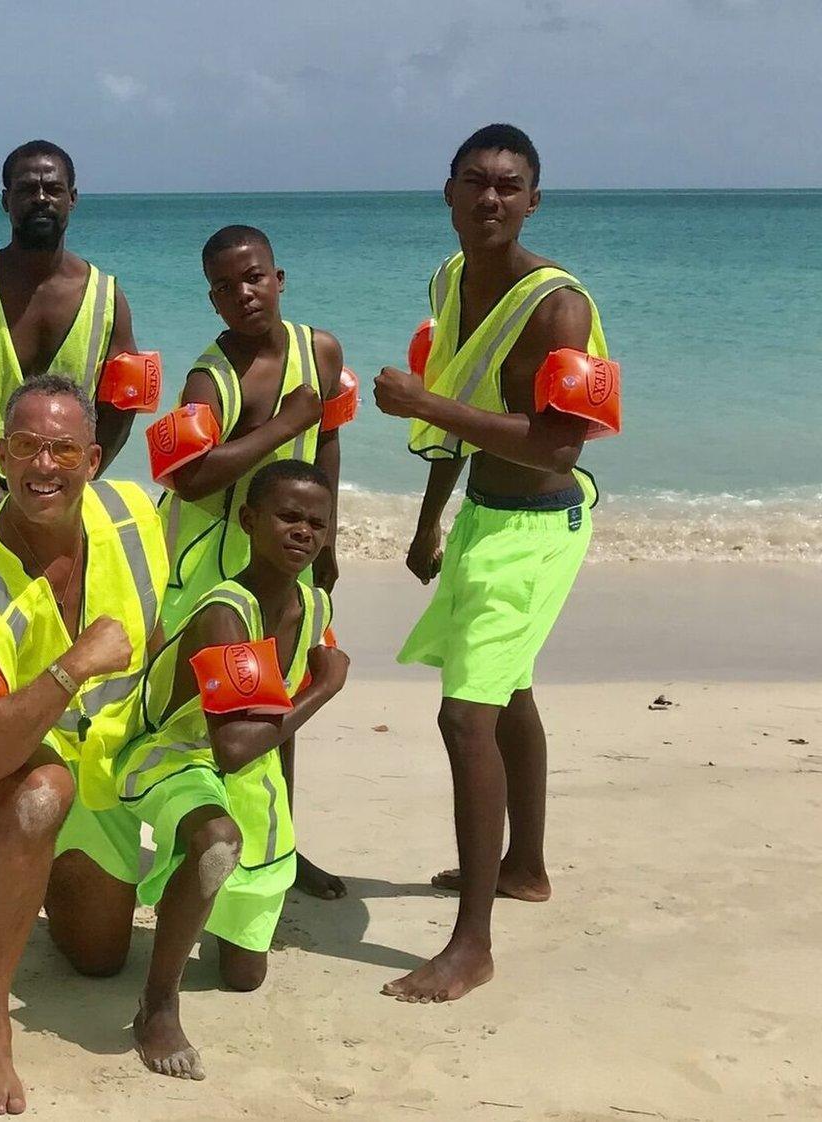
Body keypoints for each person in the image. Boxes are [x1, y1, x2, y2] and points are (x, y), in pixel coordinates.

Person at [372, 123, 611, 1002]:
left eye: (510, 185)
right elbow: (461, 413)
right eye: (475, 181)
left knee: (464, 719)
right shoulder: (448, 281)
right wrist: (430, 521)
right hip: (483, 514)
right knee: (508, 690)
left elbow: (557, 446)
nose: (490, 198)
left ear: (534, 200)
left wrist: (423, 399)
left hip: (541, 526)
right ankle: (527, 866)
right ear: (447, 192)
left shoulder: (561, 308)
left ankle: (472, 944)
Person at [0, 376, 167, 1115]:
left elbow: (155, 631)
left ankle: (47, 877)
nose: (44, 465)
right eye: (26, 445)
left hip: (120, 756)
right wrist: (71, 666)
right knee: (35, 800)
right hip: (31, 757)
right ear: (1, 452)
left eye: (63, 448)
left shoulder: (134, 513)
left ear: (93, 458)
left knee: (99, 961)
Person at [0, 139, 141, 902]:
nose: (40, 198)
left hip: (70, 507)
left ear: (75, 198)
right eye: (26, 187)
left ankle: (74, 808)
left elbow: (118, 407)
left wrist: (74, 489)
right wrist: (0, 498)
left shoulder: (108, 297)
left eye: (53, 187)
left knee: (73, 655)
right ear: (5, 198)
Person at [115, 460, 349, 1079]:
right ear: (248, 520)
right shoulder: (226, 612)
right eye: (288, 516)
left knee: (244, 977)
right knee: (217, 846)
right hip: (172, 750)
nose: (303, 531)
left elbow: (263, 725)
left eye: (317, 523)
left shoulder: (314, 603)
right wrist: (324, 690)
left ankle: (186, 897)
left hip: (244, 757)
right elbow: (233, 748)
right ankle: (157, 1005)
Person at [159, 224, 348, 899]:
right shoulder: (206, 380)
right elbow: (189, 479)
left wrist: (330, 540)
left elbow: (327, 444)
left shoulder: (320, 350)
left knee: (283, 690)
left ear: (279, 278)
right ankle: (198, 839)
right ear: (212, 300)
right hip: (210, 556)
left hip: (288, 547)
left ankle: (281, 846)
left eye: (254, 277)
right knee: (208, 711)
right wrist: (283, 426)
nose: (243, 293)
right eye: (225, 286)